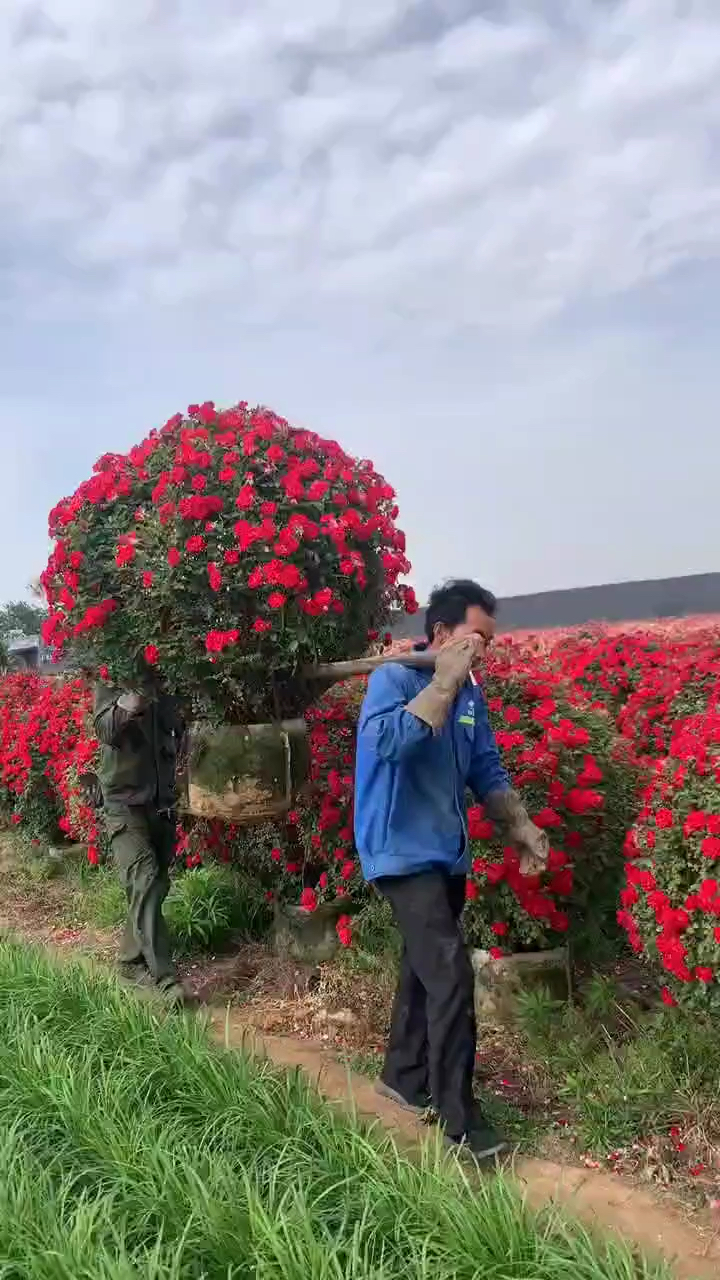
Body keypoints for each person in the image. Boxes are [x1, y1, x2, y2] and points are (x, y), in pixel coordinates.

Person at [354, 579, 549, 1160]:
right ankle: (460, 1120)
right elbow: (387, 744)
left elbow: (484, 768)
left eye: (491, 640)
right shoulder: (393, 679)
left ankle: (403, 1076)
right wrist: (440, 682)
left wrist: (521, 826)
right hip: (399, 851)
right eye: (477, 637)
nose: (485, 650)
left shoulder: (471, 695)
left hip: (445, 849)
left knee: (422, 968)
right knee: (450, 973)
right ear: (441, 633)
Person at [94, 678, 187, 1004]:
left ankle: (129, 962)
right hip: (124, 804)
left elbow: (180, 727)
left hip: (161, 802)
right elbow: (103, 728)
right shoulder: (113, 671)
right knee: (145, 880)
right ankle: (166, 980)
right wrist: (128, 704)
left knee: (155, 885)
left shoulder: (170, 675)